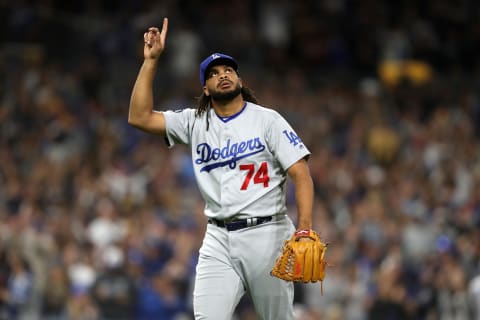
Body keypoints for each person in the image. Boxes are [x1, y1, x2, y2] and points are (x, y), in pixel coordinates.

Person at [128, 18, 315, 320]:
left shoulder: (267, 120)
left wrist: (305, 227)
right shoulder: (194, 122)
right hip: (218, 238)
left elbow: (301, 173)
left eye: (228, 70)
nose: (223, 75)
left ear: (239, 80)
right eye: (213, 74)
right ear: (205, 87)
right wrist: (151, 61)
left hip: (268, 233)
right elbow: (139, 117)